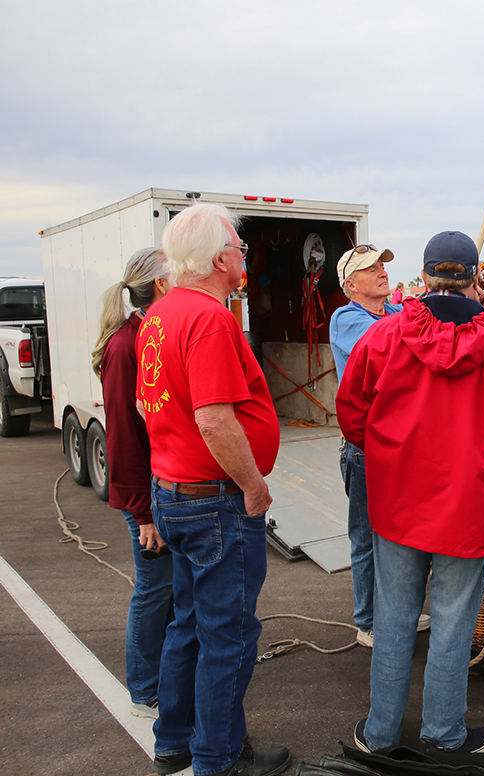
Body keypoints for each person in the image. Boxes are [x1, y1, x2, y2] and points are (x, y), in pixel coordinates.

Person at [336, 230, 484, 755]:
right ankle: (443, 737)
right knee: (453, 626)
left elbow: (352, 413)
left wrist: (389, 456)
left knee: (392, 621)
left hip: (398, 503)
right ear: (475, 278)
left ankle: (381, 734)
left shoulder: (383, 337)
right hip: (470, 506)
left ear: (427, 274)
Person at [137, 203, 289, 776]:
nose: (244, 257)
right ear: (222, 257)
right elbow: (215, 419)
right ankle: (218, 758)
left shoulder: (159, 316)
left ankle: (175, 740)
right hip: (214, 500)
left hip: (173, 492)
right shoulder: (210, 318)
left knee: (188, 624)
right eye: (241, 249)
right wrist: (253, 486)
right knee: (227, 635)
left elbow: (150, 404)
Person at [328, 244, 429, 648]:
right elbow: (393, 351)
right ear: (351, 285)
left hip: (398, 444)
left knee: (402, 534)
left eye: (382, 265)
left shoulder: (394, 313)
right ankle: (367, 622)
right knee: (367, 537)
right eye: (370, 269)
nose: (382, 272)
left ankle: (397, 611)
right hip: (365, 447)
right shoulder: (346, 319)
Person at [91, 247, 174, 719]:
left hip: (161, 488)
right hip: (147, 497)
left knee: (166, 588)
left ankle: (161, 677)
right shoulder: (127, 346)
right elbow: (124, 434)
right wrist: (143, 514)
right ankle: (144, 690)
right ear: (159, 285)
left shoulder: (149, 334)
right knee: (154, 588)